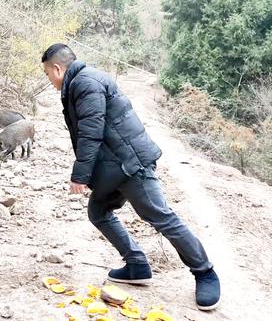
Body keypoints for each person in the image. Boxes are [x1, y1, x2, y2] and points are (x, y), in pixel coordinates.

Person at [41, 43, 220, 311]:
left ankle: (205, 271)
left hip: (131, 164)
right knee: (99, 212)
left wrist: (79, 175)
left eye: (47, 73)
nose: (49, 80)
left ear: (57, 68)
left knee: (160, 216)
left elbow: (91, 132)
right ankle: (137, 265)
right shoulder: (83, 81)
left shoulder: (84, 83)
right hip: (113, 167)